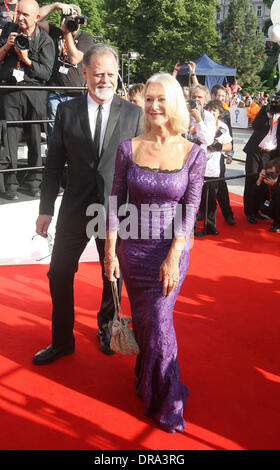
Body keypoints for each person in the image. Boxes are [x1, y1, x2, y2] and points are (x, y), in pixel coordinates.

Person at [104, 73, 206, 433]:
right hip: (133, 251)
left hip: (170, 251)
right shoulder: (128, 148)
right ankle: (148, 382)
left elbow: (190, 208)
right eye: (149, 98)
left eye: (162, 99)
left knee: (161, 321)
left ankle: (168, 402)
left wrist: (174, 253)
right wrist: (111, 251)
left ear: (174, 102)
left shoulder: (194, 153)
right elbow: (116, 201)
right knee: (146, 322)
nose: (154, 105)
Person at [32, 43, 143, 366]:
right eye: (98, 74)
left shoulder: (134, 114)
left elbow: (139, 167)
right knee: (59, 273)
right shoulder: (67, 112)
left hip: (116, 210)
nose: (105, 80)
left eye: (110, 74)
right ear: (84, 74)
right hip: (75, 208)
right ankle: (62, 340)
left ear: (117, 74)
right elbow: (53, 164)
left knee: (112, 275)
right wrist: (45, 209)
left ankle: (107, 327)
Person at [0, 0, 55, 200]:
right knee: (9, 140)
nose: (20, 18)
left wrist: (26, 58)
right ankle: (10, 184)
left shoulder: (46, 40)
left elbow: (46, 73)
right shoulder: (8, 30)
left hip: (34, 92)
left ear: (37, 18)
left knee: (34, 139)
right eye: (19, 13)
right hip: (10, 91)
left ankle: (34, 182)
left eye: (25, 14)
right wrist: (7, 46)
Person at [38, 2, 94, 143]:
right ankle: (54, 163)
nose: (71, 20)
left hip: (75, 93)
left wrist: (67, 33)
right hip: (55, 91)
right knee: (54, 134)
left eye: (74, 18)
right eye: (67, 17)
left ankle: (72, 163)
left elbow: (74, 59)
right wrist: (56, 6)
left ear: (80, 21)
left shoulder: (85, 37)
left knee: (74, 135)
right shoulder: (56, 32)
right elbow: (34, 18)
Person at [195, 99, 232, 236]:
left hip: (213, 168)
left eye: (214, 111)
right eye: (209, 109)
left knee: (211, 198)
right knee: (194, 197)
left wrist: (219, 147)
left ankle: (210, 226)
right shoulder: (198, 124)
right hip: (196, 167)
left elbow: (229, 146)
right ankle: (191, 224)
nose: (211, 112)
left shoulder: (222, 126)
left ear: (219, 113)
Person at [243, 94, 280, 224]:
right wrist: (268, 113)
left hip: (270, 154)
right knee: (252, 179)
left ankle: (258, 209)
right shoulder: (265, 109)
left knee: (265, 181)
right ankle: (249, 211)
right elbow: (255, 125)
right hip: (255, 150)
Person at [211, 84, 235, 225]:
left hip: (218, 154)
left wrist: (230, 153)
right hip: (203, 155)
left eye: (223, 96)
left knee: (221, 184)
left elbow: (230, 134)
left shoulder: (225, 113)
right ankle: (203, 213)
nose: (221, 99)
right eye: (219, 96)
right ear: (213, 96)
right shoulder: (205, 110)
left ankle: (228, 213)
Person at [254, 159, 280, 232]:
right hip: (272, 202)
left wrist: (274, 186)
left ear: (278, 173)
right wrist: (259, 179)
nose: (269, 175)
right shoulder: (265, 177)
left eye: (271, 173)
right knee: (263, 207)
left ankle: (278, 224)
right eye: (267, 172)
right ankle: (276, 219)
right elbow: (254, 193)